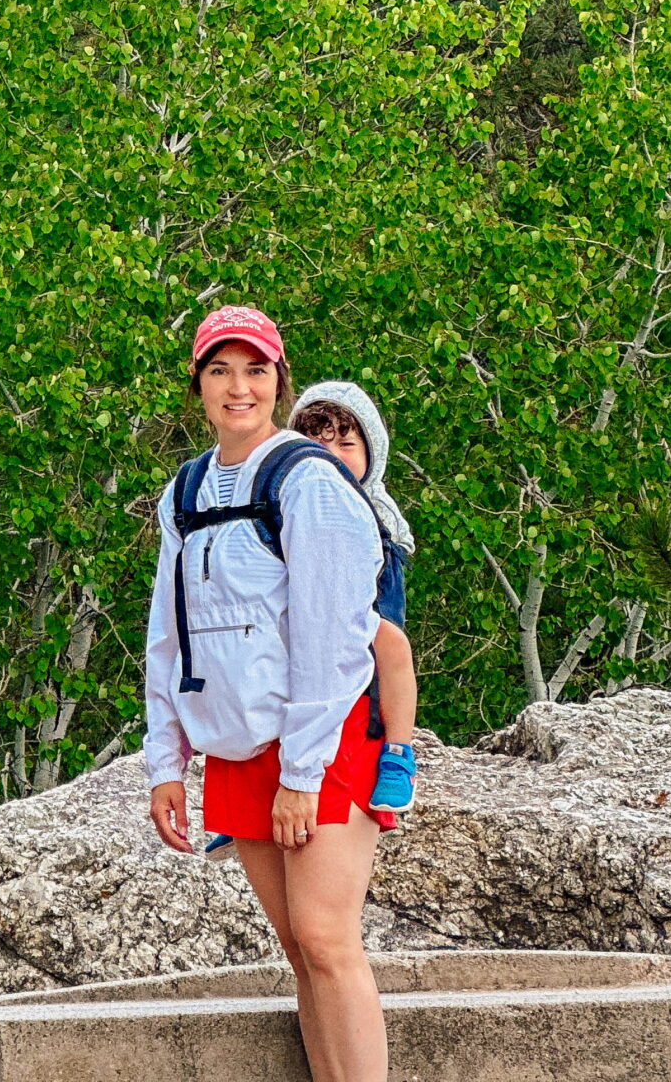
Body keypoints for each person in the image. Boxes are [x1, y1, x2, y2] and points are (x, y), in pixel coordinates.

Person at [146, 304, 389, 1082]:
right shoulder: (184, 493)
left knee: (326, 938)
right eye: (220, 370)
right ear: (199, 386)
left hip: (319, 738)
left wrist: (301, 773)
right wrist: (164, 762)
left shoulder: (308, 481)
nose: (238, 387)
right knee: (298, 949)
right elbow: (168, 634)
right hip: (235, 737)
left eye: (255, 370)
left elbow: (333, 637)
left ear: (279, 382)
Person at [292, 381, 418, 820]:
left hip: (367, 606)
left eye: (346, 443)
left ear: (371, 453)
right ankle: (253, 790)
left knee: (390, 645)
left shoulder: (375, 508)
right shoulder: (286, 499)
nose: (332, 455)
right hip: (309, 619)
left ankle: (399, 753)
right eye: (315, 443)